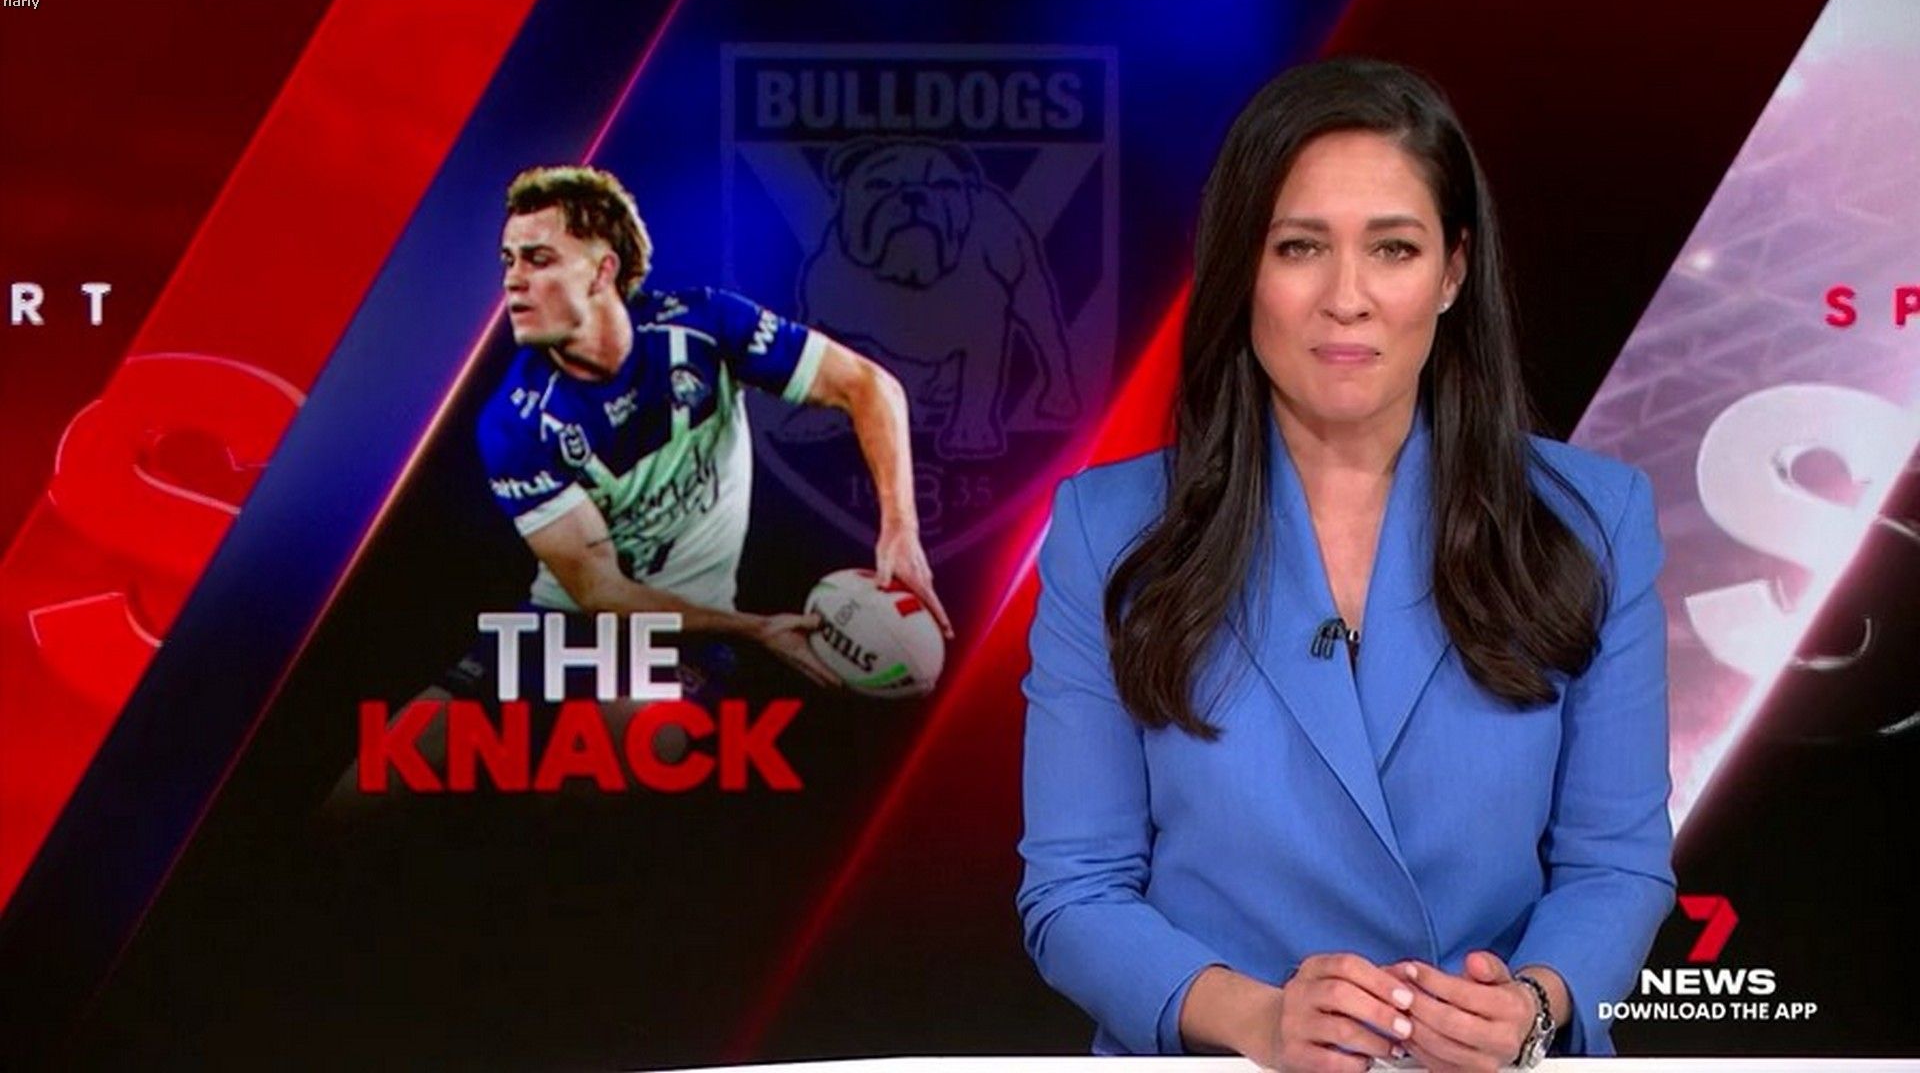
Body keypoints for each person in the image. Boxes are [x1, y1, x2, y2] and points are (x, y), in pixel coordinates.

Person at [1016, 59, 1672, 1072]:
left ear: (1452, 272)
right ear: (1243, 268)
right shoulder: (1109, 530)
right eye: (1300, 247)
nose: (1347, 299)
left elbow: (1616, 867)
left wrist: (1531, 1010)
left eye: (1394, 249)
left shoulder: (1594, 520)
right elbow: (1075, 891)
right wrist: (1256, 1019)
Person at [474, 164, 951, 699]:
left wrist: (900, 529)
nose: (512, 279)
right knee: (407, 744)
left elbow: (869, 386)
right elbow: (598, 591)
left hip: (686, 634)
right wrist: (758, 629)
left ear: (603, 271)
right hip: (560, 624)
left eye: (539, 259)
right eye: (508, 260)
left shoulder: (705, 326)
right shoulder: (513, 422)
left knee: (626, 737)